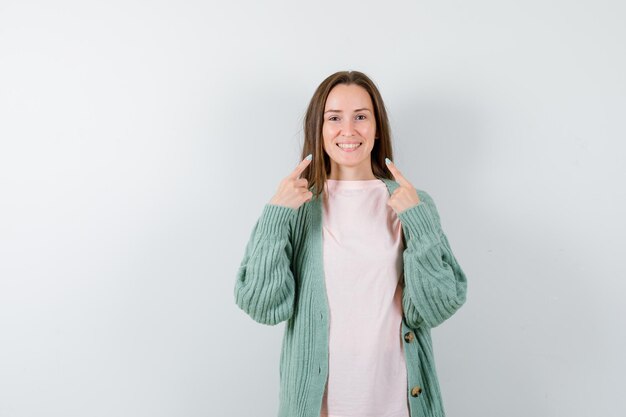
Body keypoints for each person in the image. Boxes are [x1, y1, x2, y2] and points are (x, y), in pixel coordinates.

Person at [234, 70, 468, 417]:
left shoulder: (412, 204)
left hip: (399, 405)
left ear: (376, 127)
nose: (349, 130)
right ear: (319, 128)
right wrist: (275, 217)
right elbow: (264, 306)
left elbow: (436, 306)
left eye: (361, 116)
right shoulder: (296, 207)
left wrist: (417, 221)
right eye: (334, 118)